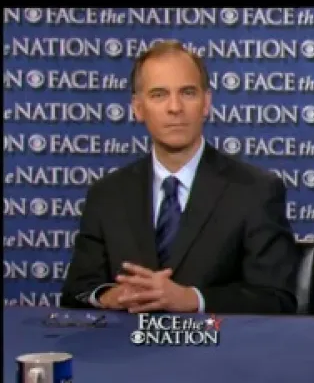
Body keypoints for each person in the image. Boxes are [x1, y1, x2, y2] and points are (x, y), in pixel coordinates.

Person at [61, 40, 301, 314]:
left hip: (215, 340)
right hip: (128, 340)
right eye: (159, 95)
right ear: (138, 107)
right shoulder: (107, 195)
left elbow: (276, 298)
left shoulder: (255, 191)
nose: (175, 107)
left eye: (187, 93)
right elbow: (77, 291)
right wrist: (110, 297)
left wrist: (192, 299)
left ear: (206, 103)